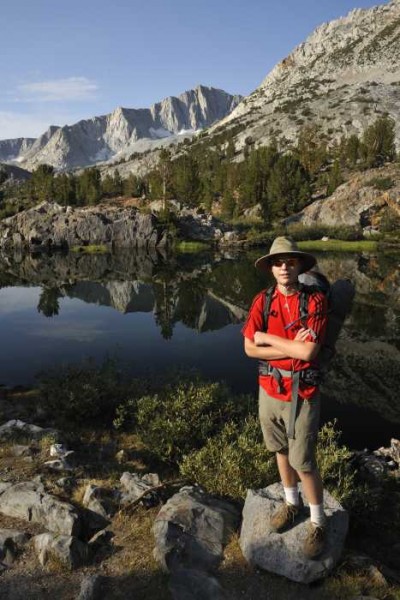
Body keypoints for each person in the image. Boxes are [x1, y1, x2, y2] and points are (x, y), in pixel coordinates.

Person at [242, 236, 328, 559]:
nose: (283, 267)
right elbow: (249, 348)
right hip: (269, 390)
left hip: (303, 392)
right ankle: (292, 503)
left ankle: (319, 522)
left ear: (299, 266)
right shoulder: (262, 302)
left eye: (289, 262)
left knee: (303, 461)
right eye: (278, 262)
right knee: (278, 448)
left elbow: (308, 351)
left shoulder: (314, 301)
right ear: (271, 268)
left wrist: (267, 339)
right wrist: (280, 344)